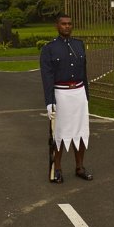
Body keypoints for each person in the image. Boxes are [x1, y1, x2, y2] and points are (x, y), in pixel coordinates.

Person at [39, 13, 93, 183]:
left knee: (81, 132)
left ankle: (80, 167)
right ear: (57, 26)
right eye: (63, 24)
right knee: (59, 133)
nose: (67, 26)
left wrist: (86, 95)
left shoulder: (79, 45)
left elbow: (84, 73)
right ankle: (57, 169)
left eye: (69, 24)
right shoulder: (49, 49)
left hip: (78, 93)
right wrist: (50, 102)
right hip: (60, 94)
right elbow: (47, 77)